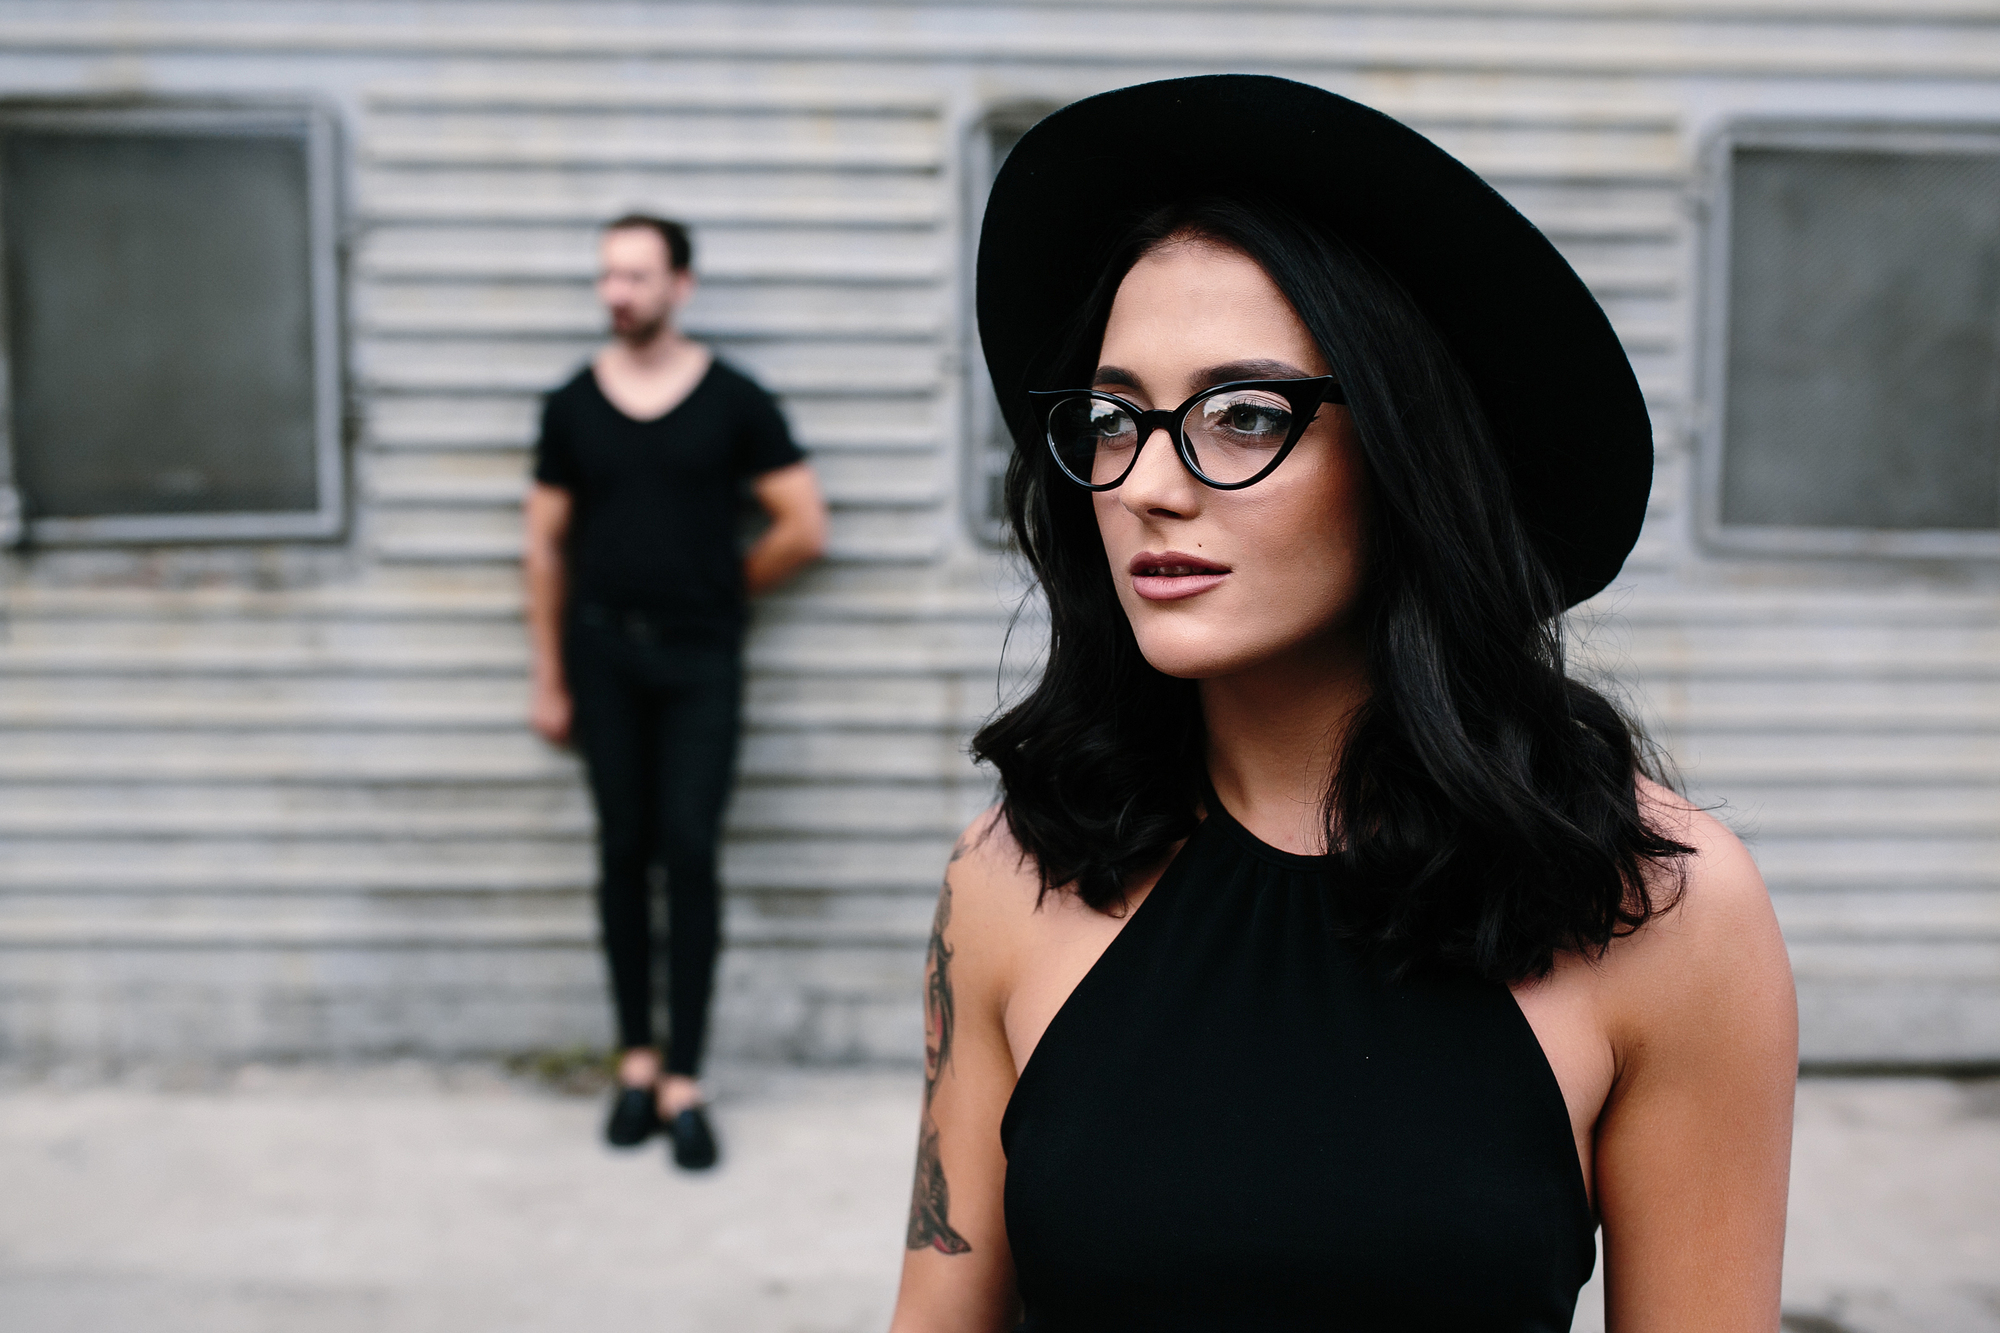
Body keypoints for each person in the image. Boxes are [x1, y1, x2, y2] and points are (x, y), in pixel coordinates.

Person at [889, 76, 1797, 1331]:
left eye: (1244, 413)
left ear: (1405, 456)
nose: (1147, 480)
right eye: (1110, 419)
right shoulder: (1011, 875)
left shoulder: (1657, 905)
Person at [523, 213, 827, 1170]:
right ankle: (636, 1067)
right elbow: (542, 546)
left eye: (638, 276)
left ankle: (687, 1080)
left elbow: (802, 524)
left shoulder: (733, 400)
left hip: (702, 660)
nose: (618, 292)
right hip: (605, 656)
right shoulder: (571, 405)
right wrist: (550, 674)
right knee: (623, 852)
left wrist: (718, 586)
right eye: (608, 275)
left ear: (680, 286)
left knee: (688, 852)